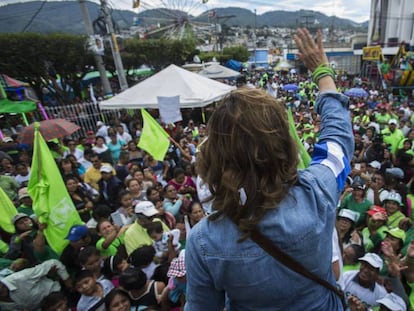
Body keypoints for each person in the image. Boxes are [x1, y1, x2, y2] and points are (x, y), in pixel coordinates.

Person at [184, 28, 354, 310]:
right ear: (284, 144)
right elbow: (338, 139)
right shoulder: (317, 192)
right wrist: (322, 73)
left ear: (215, 154)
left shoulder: (203, 241)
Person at [0, 259, 72, 311]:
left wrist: (68, 283)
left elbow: (54, 263)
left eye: (2, 285)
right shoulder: (3, 306)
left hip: (61, 299)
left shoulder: (20, 277)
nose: (2, 288)